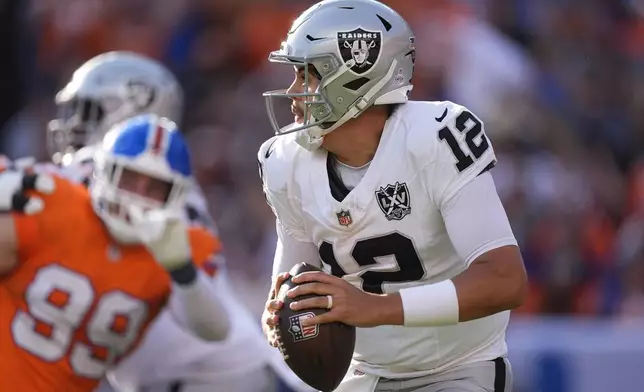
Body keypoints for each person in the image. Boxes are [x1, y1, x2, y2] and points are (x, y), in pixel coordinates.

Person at [258, 1, 527, 392]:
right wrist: (283, 318)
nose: (293, 92)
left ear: (355, 77)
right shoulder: (285, 162)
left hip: (457, 369)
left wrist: (376, 309)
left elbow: (505, 281)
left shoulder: (436, 138)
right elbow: (293, 288)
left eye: (308, 75)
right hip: (363, 374)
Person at [43, 51, 310, 392]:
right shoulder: (165, 186)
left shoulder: (117, 181)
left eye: (88, 112)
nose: (74, 126)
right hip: (222, 371)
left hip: (211, 377)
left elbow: (43, 189)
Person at [0, 114, 230, 392]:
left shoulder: (180, 248)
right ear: (105, 172)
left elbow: (216, 330)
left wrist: (182, 269)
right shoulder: (56, 201)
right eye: (129, 178)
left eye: (155, 187)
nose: (138, 195)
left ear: (177, 195)